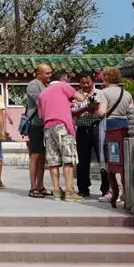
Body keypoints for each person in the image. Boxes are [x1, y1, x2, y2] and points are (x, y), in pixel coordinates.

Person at [37, 71, 87, 201]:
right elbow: (81, 98)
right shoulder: (63, 86)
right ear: (64, 78)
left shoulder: (42, 93)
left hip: (48, 128)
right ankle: (69, 191)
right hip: (62, 126)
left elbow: (40, 115)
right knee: (68, 159)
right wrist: (85, 94)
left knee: (53, 161)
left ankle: (57, 191)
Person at [96, 67, 134, 204]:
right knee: (123, 159)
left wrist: (95, 113)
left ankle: (114, 191)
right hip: (125, 125)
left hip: (110, 125)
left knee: (111, 159)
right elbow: (131, 111)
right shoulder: (127, 93)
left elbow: (102, 112)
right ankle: (124, 191)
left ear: (106, 78)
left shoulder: (103, 93)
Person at [71, 71, 107, 198]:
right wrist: (84, 109)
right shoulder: (76, 95)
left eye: (88, 82)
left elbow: (103, 110)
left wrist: (94, 109)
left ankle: (105, 188)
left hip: (97, 128)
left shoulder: (100, 93)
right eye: (82, 83)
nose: (85, 85)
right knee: (82, 161)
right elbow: (72, 112)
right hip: (81, 129)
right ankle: (83, 188)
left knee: (102, 158)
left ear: (92, 81)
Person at [24, 63, 53, 198]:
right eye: (47, 73)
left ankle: (40, 185)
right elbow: (40, 101)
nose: (49, 75)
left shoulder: (48, 86)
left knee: (43, 156)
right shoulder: (33, 85)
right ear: (38, 73)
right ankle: (32, 187)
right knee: (35, 155)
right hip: (35, 124)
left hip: (45, 123)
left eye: (50, 73)